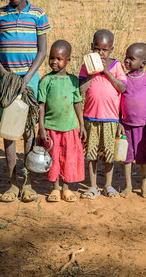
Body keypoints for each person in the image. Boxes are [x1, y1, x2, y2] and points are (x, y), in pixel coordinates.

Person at [0, 0, 50, 203]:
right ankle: (12, 184)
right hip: (6, 79)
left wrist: (27, 78)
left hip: (30, 79)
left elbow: (43, 50)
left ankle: (28, 185)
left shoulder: (37, 14)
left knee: (28, 131)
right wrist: (4, 73)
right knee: (9, 131)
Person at [79, 29, 127, 199]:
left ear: (111, 50)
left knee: (109, 155)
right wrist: (92, 73)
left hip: (110, 119)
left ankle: (108, 185)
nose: (101, 53)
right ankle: (93, 186)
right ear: (92, 47)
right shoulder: (87, 65)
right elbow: (82, 89)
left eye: (104, 50)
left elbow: (122, 87)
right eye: (97, 49)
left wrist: (106, 71)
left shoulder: (116, 65)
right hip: (90, 117)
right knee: (91, 155)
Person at [38, 40, 85, 203]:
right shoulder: (46, 80)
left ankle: (66, 188)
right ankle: (55, 189)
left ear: (68, 60)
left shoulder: (73, 81)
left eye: (59, 58)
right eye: (52, 58)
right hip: (51, 128)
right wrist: (42, 127)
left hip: (70, 128)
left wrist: (82, 125)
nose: (54, 62)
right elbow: (41, 106)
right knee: (54, 158)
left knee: (69, 158)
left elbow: (77, 103)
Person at [120, 43, 146, 198]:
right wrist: (118, 121)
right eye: (126, 57)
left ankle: (144, 187)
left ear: (143, 63)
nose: (127, 61)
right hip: (126, 125)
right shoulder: (123, 79)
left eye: (131, 58)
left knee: (144, 158)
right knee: (127, 158)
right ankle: (128, 186)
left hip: (144, 125)